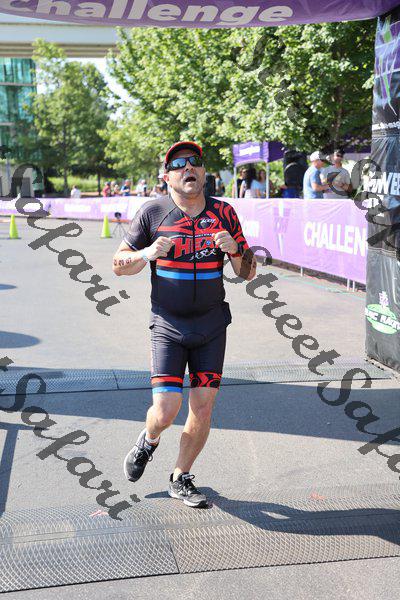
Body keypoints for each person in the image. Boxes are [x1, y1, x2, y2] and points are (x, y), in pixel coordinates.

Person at [112, 141, 256, 508]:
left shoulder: (224, 212)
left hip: (211, 326)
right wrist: (146, 253)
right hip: (168, 326)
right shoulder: (152, 212)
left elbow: (248, 272)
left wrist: (235, 250)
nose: (188, 168)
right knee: (165, 411)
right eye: (178, 164)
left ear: (204, 172)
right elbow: (118, 265)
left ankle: (181, 476)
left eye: (195, 162)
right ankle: (149, 440)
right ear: (166, 176)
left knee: (203, 408)